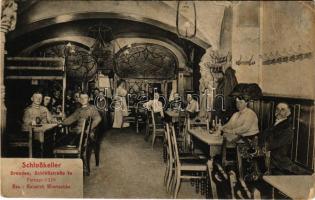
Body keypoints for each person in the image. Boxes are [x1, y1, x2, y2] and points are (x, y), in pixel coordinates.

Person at [260, 103, 310, 175]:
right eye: (277, 109)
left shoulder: (287, 128)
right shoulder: (274, 124)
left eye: (282, 110)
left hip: (278, 162)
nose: (279, 112)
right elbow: (263, 136)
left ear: (288, 113)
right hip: (268, 157)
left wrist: (264, 147)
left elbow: (275, 143)